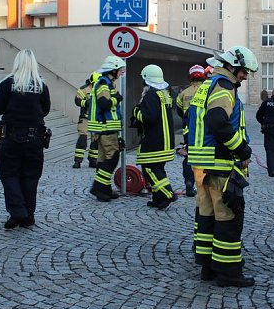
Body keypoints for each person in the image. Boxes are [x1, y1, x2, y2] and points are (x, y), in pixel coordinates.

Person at [188, 45, 257, 287]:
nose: (245, 77)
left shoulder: (207, 84)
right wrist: (242, 149)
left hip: (202, 164)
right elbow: (217, 121)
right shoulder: (224, 87)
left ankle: (208, 267)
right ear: (232, 66)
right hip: (219, 165)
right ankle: (228, 272)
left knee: (207, 217)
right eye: (244, 72)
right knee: (229, 217)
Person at [0, 49, 51, 229]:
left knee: (9, 174)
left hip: (11, 137)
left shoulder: (7, 84)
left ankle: (17, 212)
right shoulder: (41, 86)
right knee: (31, 177)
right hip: (35, 138)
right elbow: (45, 110)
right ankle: (28, 215)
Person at [133, 64, 177, 210]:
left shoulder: (151, 95)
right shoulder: (163, 94)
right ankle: (158, 199)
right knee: (159, 169)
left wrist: (136, 113)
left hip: (154, 140)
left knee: (149, 170)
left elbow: (149, 118)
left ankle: (167, 194)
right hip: (165, 140)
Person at [87, 55, 126, 201]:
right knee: (112, 158)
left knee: (104, 160)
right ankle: (98, 188)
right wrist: (117, 98)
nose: (121, 73)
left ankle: (105, 189)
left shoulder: (106, 83)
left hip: (104, 128)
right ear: (113, 70)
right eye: (120, 70)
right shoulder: (104, 84)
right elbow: (104, 104)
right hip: (106, 128)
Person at [175, 64, 207, 196]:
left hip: (188, 131)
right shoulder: (207, 91)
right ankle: (204, 185)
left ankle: (189, 182)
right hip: (204, 130)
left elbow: (178, 110)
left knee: (188, 157)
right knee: (204, 157)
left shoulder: (183, 93)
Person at [73, 73, 99, 169]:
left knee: (95, 140)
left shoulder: (102, 89)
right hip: (85, 118)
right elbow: (77, 101)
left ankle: (93, 160)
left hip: (96, 119)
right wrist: (86, 102)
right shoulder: (84, 89)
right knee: (82, 139)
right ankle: (78, 161)